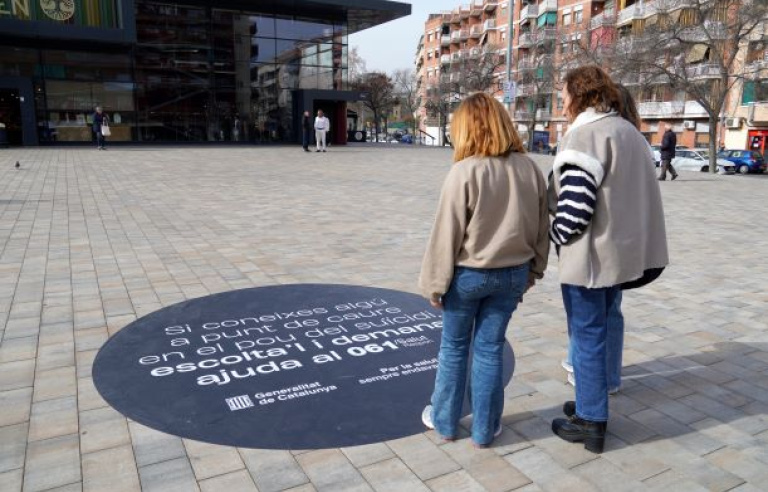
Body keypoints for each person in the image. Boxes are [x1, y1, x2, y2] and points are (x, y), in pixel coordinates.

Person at [419, 93, 550, 448]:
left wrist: (434, 284)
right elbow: (542, 227)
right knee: (490, 348)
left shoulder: (464, 171)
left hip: (469, 275)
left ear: (466, 130)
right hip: (512, 274)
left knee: (454, 348)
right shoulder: (530, 168)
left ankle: (445, 421)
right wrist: (534, 272)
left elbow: (445, 234)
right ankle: (485, 427)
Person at [549, 66, 668, 454]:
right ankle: (590, 401)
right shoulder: (629, 131)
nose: (561, 100)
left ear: (579, 94)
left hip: (589, 258)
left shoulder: (585, 133)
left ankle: (591, 422)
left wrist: (551, 237)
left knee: (586, 336)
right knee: (599, 331)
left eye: (563, 92)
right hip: (620, 254)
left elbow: (575, 207)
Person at [559, 83, 647, 394]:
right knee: (610, 312)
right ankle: (605, 376)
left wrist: (556, 234)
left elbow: (577, 206)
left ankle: (591, 396)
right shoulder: (632, 138)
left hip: (594, 247)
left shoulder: (592, 136)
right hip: (622, 246)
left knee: (588, 322)